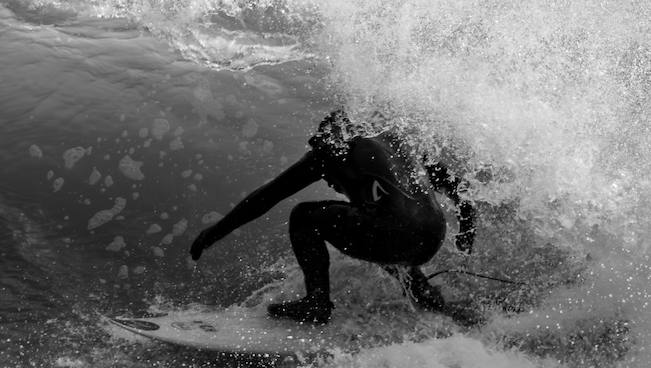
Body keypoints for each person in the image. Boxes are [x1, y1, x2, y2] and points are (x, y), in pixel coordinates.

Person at [188, 111, 478, 325]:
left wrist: (215, 231)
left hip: (392, 230)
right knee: (383, 231)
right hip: (431, 237)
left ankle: (316, 302)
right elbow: (461, 191)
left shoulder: (332, 149)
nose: (329, 182)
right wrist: (466, 233)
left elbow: (266, 197)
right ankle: (436, 304)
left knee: (304, 215)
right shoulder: (399, 144)